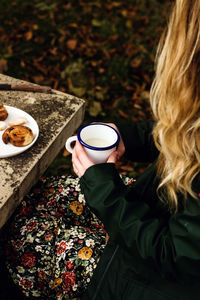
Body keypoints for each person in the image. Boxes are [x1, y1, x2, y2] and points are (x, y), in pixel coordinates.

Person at [4, 0, 200, 299]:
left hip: (148, 278)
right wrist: (129, 137)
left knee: (18, 240)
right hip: (156, 209)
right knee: (39, 195)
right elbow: (191, 136)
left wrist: (104, 189)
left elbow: (175, 255)